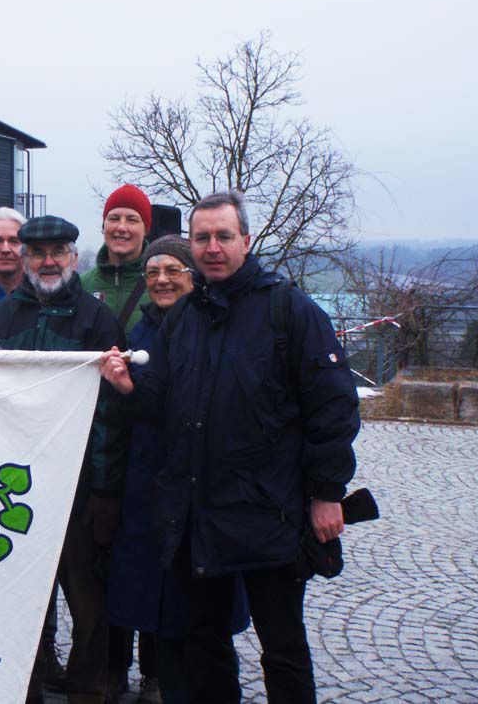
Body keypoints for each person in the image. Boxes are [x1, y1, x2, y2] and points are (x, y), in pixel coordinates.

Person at [100, 191, 359, 703]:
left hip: (271, 512)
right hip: (200, 515)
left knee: (282, 648)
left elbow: (333, 407)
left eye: (223, 236)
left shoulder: (290, 310)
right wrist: (132, 389)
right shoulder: (183, 318)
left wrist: (328, 491)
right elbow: (167, 406)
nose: (212, 247)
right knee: (205, 646)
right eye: (202, 238)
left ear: (246, 239)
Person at [0, 215, 128, 704]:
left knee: (89, 605)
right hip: (14, 487)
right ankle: (29, 686)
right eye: (38, 253)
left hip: (80, 487)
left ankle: (89, 691)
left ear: (72, 257)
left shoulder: (97, 319)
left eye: (58, 252)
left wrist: (106, 490)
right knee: (22, 599)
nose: (48, 261)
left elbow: (110, 411)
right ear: (24, 259)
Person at [105, 235, 193, 702]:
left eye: (172, 271)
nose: (161, 280)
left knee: (172, 585)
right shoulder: (141, 329)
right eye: (154, 272)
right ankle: (123, 672)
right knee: (135, 577)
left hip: (185, 477)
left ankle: (162, 675)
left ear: (191, 277)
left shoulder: (202, 328)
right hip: (139, 475)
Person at [82, 184, 152, 334]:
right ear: (103, 226)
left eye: (131, 220)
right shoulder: (81, 285)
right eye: (114, 218)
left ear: (146, 229)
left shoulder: (161, 285)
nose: (121, 227)